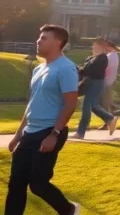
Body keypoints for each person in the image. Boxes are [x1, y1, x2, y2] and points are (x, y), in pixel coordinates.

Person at [5, 25, 82, 215]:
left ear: (58, 42)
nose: (38, 42)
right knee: (16, 184)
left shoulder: (66, 68)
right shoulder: (39, 68)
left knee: (38, 185)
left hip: (49, 131)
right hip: (30, 132)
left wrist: (54, 134)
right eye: (39, 38)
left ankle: (69, 210)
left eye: (43, 38)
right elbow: (32, 103)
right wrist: (18, 134)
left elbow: (70, 104)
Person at [70, 38, 118, 140]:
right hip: (89, 82)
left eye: (96, 46)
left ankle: (80, 132)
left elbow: (93, 71)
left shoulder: (103, 58)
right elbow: (86, 70)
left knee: (87, 106)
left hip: (96, 83)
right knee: (93, 106)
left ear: (102, 47)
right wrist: (79, 69)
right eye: (94, 45)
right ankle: (110, 118)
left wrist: (82, 70)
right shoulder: (92, 57)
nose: (94, 47)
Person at [101, 39, 119, 113]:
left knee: (106, 99)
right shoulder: (115, 55)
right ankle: (112, 109)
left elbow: (106, 67)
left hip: (108, 79)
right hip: (112, 78)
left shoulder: (110, 56)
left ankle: (108, 115)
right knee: (107, 98)